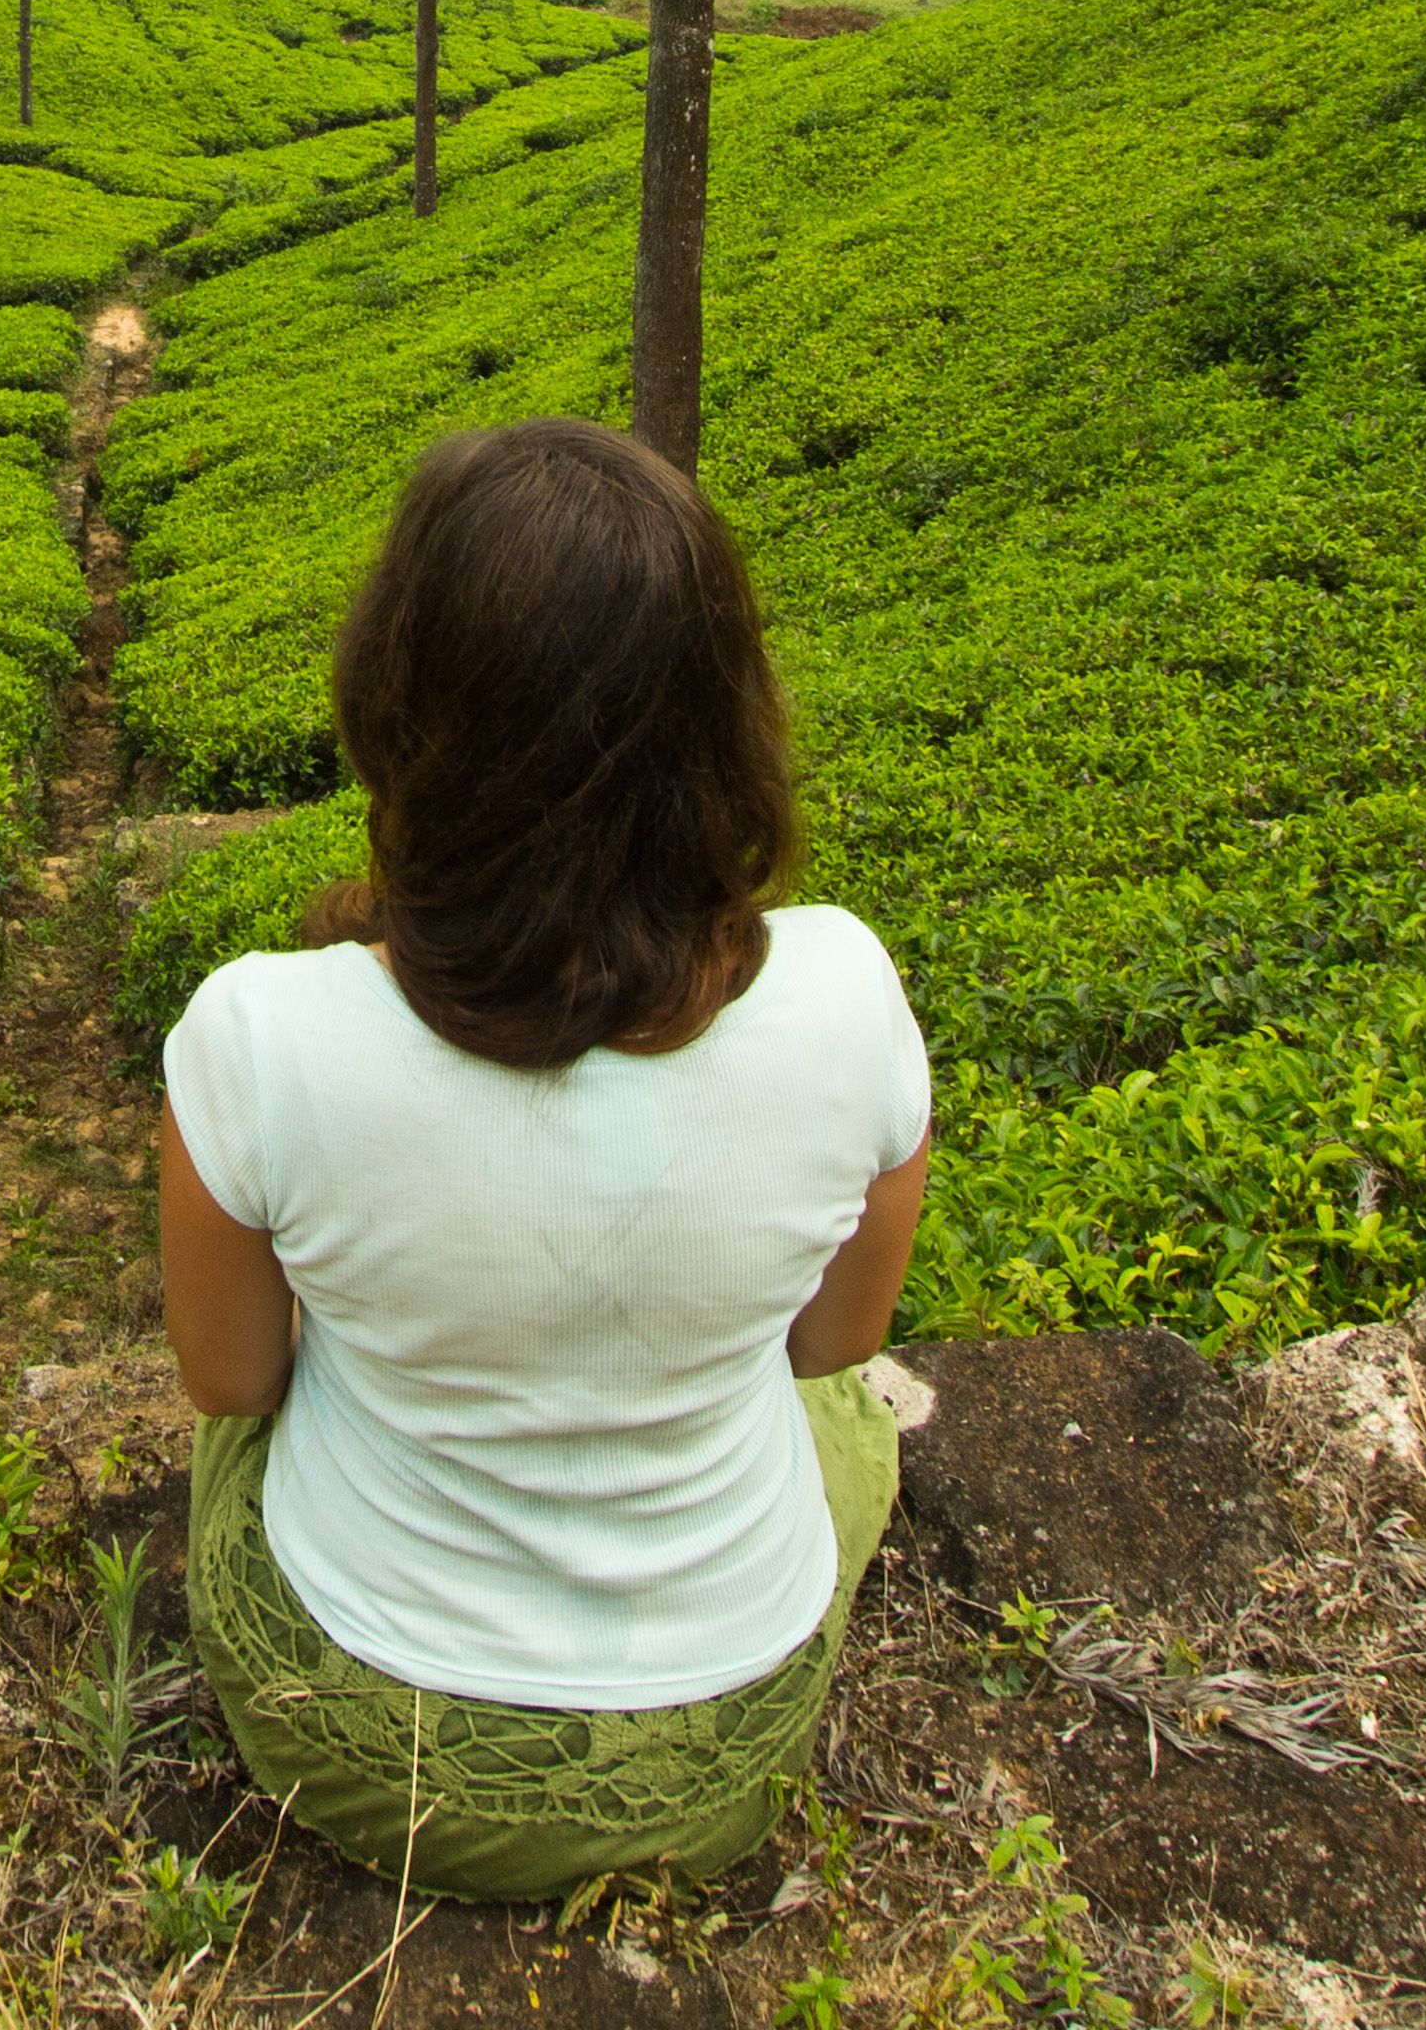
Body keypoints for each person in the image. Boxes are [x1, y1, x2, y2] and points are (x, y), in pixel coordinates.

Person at [155, 415, 931, 1901]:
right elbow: (833, 1344)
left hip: (374, 1751)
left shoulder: (258, 1037)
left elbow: (233, 1381)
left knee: (242, 1440)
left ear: (402, 708)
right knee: (851, 1428)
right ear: (727, 720)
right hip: (724, 1742)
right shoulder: (846, 997)